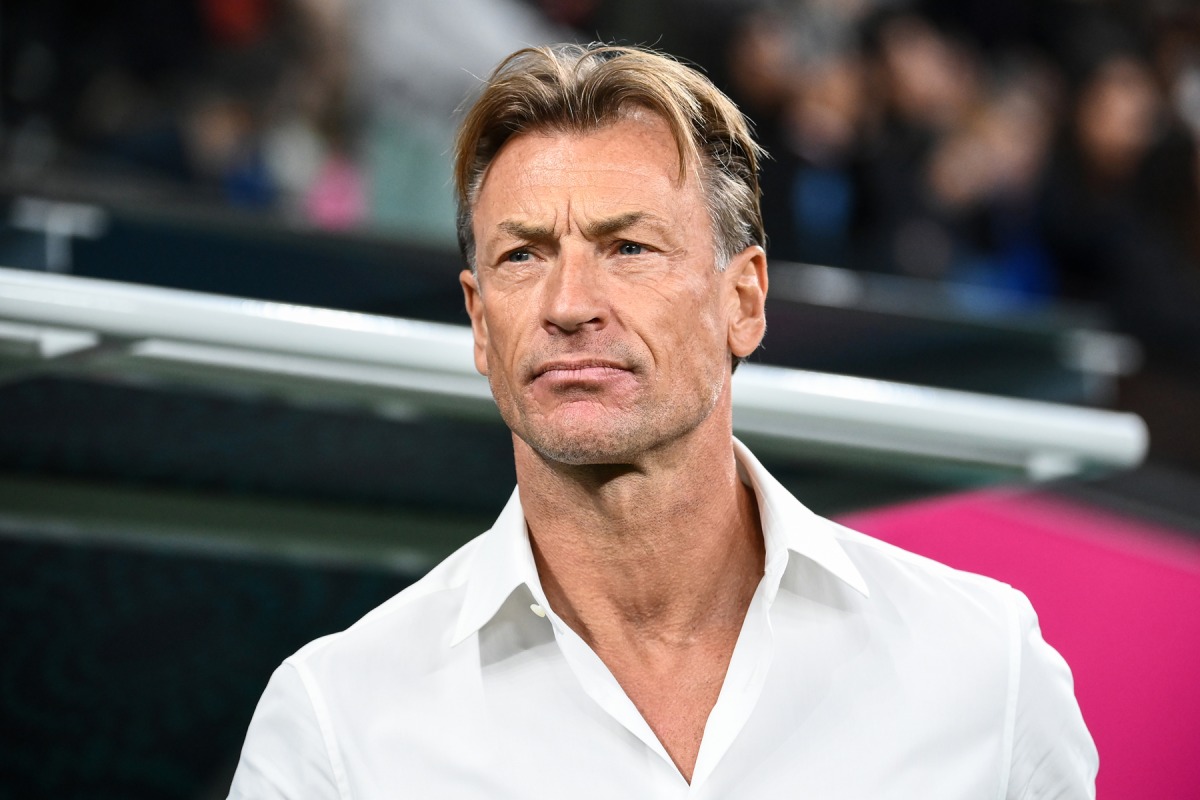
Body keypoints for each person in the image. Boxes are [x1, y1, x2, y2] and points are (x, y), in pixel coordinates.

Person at [227, 43, 1097, 798]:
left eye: (628, 248)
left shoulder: (983, 666)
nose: (569, 305)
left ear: (744, 301)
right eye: (523, 255)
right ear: (480, 322)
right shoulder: (337, 724)